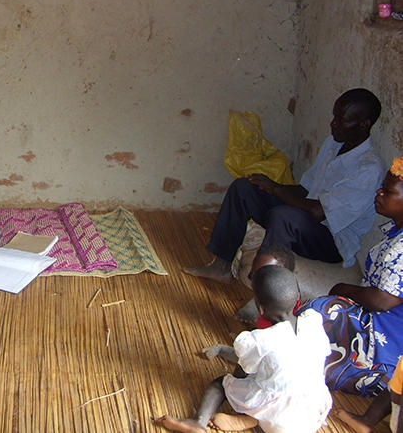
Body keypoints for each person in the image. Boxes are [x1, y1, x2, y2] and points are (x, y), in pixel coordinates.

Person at [184, 88, 385, 284]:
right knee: (245, 188)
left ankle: (263, 288)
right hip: (307, 221)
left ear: (363, 125)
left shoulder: (368, 168)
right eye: (334, 116)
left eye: (341, 120)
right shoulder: (334, 144)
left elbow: (319, 212)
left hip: (333, 241)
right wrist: (270, 185)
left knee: (284, 216)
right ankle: (221, 266)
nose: (333, 124)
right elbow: (306, 190)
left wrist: (277, 190)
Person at [154, 265, 332, 433]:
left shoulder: (261, 339)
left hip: (279, 417)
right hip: (311, 414)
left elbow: (242, 367)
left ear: (260, 309)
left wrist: (233, 378)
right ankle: (253, 419)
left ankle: (198, 422)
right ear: (298, 298)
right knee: (275, 381)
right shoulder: (313, 321)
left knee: (222, 383)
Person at [299, 158, 403, 407]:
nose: (379, 193)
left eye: (387, 191)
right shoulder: (395, 233)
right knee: (318, 319)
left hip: (385, 344)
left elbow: (382, 300)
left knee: (322, 312)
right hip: (376, 327)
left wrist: (342, 290)